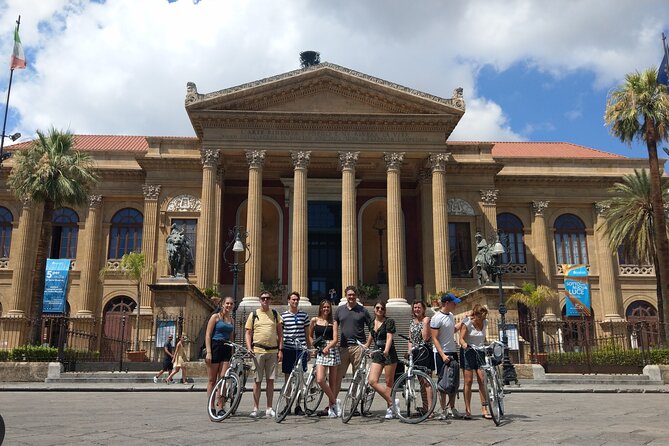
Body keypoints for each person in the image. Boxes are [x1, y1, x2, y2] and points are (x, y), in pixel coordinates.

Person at [245, 290, 283, 418]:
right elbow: (248, 333)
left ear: (270, 300)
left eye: (268, 298)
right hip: (258, 351)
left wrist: (280, 350)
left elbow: (280, 333)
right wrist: (249, 347)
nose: (265, 300)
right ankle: (255, 408)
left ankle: (269, 408)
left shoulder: (275, 314)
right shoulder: (254, 314)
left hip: (272, 351)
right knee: (257, 381)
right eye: (263, 298)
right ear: (260, 300)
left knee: (270, 381)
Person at [333, 285, 371, 404]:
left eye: (353, 295)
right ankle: (332, 403)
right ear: (346, 295)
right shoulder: (340, 310)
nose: (351, 297)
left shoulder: (363, 310)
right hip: (343, 347)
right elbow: (335, 325)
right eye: (349, 295)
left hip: (358, 347)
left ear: (356, 296)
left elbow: (373, 329)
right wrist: (335, 340)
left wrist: (367, 344)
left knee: (357, 377)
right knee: (337, 377)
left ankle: (355, 403)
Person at [430, 292, 463, 420]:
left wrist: (464, 322)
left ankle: (452, 407)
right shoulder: (436, 318)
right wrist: (442, 355)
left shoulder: (451, 315)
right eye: (453, 302)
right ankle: (443, 409)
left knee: (453, 381)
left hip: (453, 351)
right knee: (442, 383)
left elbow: (452, 330)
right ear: (447, 303)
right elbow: (434, 338)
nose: (455, 304)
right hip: (440, 353)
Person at [366, 301, 399, 419]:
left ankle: (390, 408)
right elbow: (371, 336)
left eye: (382, 308)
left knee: (389, 383)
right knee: (372, 381)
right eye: (377, 308)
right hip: (377, 353)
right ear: (374, 309)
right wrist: (366, 347)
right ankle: (392, 402)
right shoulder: (371, 322)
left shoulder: (389, 321)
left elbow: (390, 337)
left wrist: (386, 350)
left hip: (389, 352)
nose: (380, 310)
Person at [308, 300, 340, 418]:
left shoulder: (334, 322)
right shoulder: (314, 320)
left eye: (328, 307)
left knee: (332, 382)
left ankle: (331, 407)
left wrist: (328, 347)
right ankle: (335, 402)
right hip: (321, 351)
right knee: (320, 379)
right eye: (324, 307)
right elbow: (310, 336)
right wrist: (315, 346)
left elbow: (336, 339)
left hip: (331, 350)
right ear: (320, 308)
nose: (326, 309)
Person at [459, 304, 492, 420]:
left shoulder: (485, 323)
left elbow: (482, 337)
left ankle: (484, 409)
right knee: (468, 381)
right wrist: (464, 345)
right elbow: (461, 338)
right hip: (468, 352)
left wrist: (488, 344)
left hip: (480, 352)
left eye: (484, 317)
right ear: (476, 315)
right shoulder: (467, 323)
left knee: (482, 380)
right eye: (481, 317)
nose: (482, 320)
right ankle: (468, 410)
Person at [280, 291, 310, 416]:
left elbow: (307, 334)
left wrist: (308, 349)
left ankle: (298, 405)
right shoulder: (283, 316)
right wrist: (280, 349)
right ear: (288, 301)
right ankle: (287, 405)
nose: (295, 302)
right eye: (293, 300)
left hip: (301, 350)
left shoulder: (304, 316)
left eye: (297, 300)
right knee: (288, 379)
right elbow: (280, 335)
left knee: (300, 379)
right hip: (288, 349)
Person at [205, 296, 235, 416]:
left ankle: (221, 406)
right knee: (212, 380)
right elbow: (208, 335)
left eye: (231, 304)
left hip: (227, 348)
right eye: (227, 303)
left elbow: (231, 337)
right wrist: (208, 352)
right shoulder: (215, 317)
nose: (229, 305)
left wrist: (232, 352)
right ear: (223, 304)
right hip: (215, 347)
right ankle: (211, 405)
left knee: (223, 379)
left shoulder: (231, 320)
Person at [407, 300, 434, 416]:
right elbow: (410, 338)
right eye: (415, 307)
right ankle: (425, 407)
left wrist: (425, 323)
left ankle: (430, 410)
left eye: (419, 307)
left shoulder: (426, 320)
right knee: (421, 382)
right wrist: (409, 350)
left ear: (423, 309)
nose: (417, 309)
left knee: (427, 382)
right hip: (416, 353)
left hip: (425, 352)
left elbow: (426, 337)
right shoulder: (412, 322)